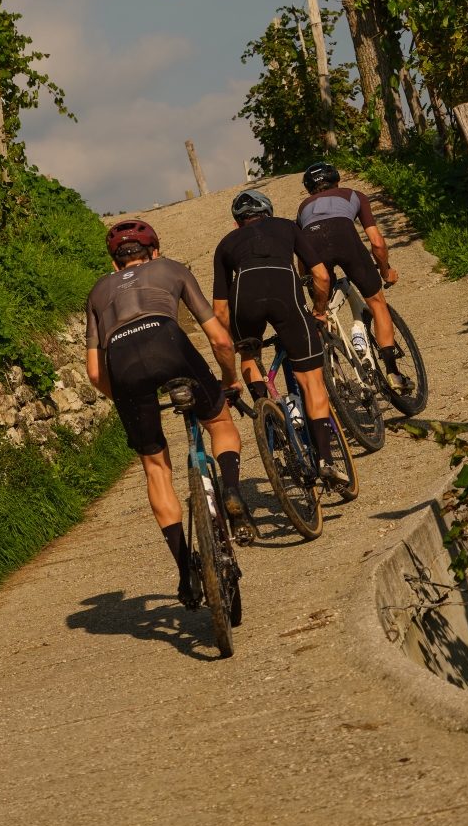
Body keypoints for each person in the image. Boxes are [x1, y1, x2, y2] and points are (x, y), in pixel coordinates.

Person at [86, 216, 248, 609]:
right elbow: (219, 338)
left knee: (156, 468)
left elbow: (94, 373)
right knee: (219, 422)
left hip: (121, 360)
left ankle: (185, 572)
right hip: (167, 340)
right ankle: (231, 491)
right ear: (154, 251)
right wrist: (229, 379)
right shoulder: (171, 268)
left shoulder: (98, 291)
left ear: (113, 263)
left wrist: (127, 399)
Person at [211, 188, 350, 488]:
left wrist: (234, 339)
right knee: (311, 381)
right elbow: (322, 276)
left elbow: (219, 310)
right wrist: (319, 310)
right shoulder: (287, 226)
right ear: (269, 213)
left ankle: (268, 411)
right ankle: (326, 460)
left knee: (249, 353)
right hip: (284, 289)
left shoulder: (226, 243)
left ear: (237, 223)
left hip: (243, 295)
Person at [293, 161, 405, 386]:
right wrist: (385, 272)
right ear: (337, 181)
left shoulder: (303, 207)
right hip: (345, 239)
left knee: (322, 312)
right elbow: (377, 242)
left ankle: (334, 373)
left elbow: (302, 259)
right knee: (377, 303)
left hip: (313, 246)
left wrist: (312, 288)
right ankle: (393, 374)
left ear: (309, 189)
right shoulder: (355, 195)